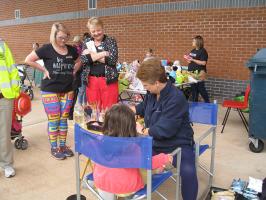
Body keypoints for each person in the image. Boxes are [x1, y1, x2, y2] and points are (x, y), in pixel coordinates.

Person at [131, 58, 198, 200]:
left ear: (156, 82)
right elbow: (144, 107)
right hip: (155, 142)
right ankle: (130, 190)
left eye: (146, 85)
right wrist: (132, 110)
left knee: (188, 172)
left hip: (177, 143)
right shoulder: (152, 93)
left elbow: (165, 129)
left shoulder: (176, 98)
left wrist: (142, 130)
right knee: (129, 157)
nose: (144, 88)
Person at [25, 22, 81, 160]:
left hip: (68, 89)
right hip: (50, 90)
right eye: (60, 37)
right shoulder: (46, 49)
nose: (63, 40)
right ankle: (54, 147)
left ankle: (62, 145)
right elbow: (28, 60)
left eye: (66, 37)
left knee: (64, 119)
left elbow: (80, 60)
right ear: (54, 35)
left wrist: (74, 70)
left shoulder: (71, 50)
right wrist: (44, 70)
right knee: (54, 119)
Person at [93, 104, 172, 200]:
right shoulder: (131, 147)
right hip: (125, 187)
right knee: (145, 169)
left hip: (101, 182)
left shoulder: (97, 140)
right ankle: (157, 170)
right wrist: (164, 157)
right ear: (130, 126)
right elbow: (148, 162)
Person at [80, 17, 119, 110]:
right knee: (94, 110)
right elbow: (84, 59)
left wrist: (92, 55)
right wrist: (103, 53)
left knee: (109, 110)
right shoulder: (87, 42)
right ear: (90, 31)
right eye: (93, 31)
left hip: (108, 80)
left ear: (103, 28)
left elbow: (112, 60)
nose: (96, 33)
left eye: (98, 30)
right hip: (91, 80)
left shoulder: (110, 40)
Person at [0, 38, 20, 178]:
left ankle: (7, 164)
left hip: (4, 97)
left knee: (4, 134)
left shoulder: (2, 45)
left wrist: (15, 92)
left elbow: (12, 69)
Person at [184, 35, 210, 102]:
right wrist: (188, 58)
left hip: (200, 73)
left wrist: (193, 60)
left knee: (201, 89)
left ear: (198, 42)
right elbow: (190, 61)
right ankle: (195, 104)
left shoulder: (203, 51)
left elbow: (203, 63)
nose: (192, 42)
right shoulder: (193, 50)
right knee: (193, 90)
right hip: (192, 72)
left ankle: (208, 103)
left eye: (193, 41)